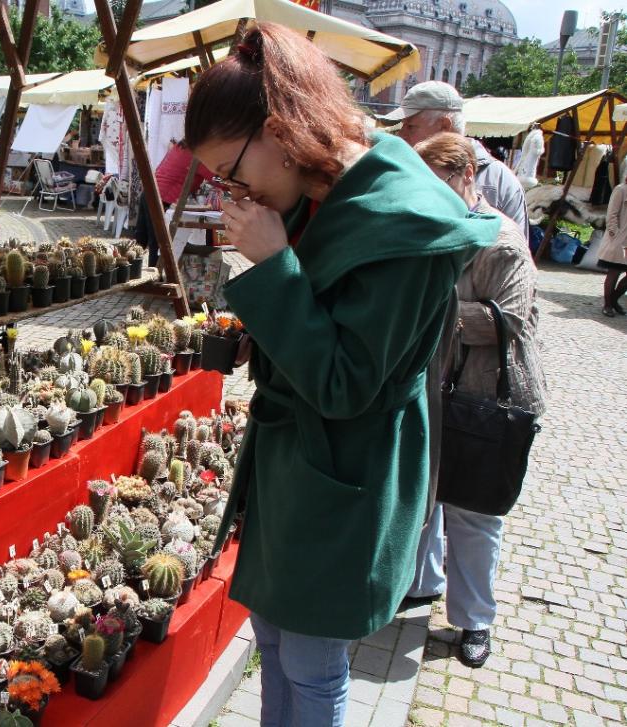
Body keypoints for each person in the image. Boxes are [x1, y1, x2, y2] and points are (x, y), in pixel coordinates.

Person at [184, 24, 500, 726]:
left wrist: (274, 266)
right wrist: (258, 322)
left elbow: (346, 381)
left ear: (278, 129)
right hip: (298, 468)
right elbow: (323, 314)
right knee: (272, 638)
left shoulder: (404, 218)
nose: (233, 191)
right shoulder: (326, 179)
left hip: (343, 474)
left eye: (233, 171)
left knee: (312, 661)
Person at [407, 132, 546, 668]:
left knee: (474, 513)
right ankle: (422, 585)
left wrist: (430, 311)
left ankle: (474, 621)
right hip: (442, 387)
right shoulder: (443, 226)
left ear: (466, 175)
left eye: (437, 184)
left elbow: (504, 323)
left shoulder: (502, 241)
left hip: (487, 395)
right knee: (429, 493)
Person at [384, 81, 530, 242]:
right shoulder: (403, 169)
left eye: (410, 126)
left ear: (445, 126)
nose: (401, 135)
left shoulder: (500, 182)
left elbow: (516, 253)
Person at [134, 139, 212, 267]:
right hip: (162, 198)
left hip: (150, 192)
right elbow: (214, 177)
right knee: (158, 243)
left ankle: (133, 275)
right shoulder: (197, 153)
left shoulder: (180, 147)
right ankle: (155, 281)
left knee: (141, 240)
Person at [597, 167, 627, 316]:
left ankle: (614, 300)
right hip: (619, 239)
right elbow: (612, 214)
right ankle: (608, 304)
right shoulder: (621, 190)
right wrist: (614, 234)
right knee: (614, 271)